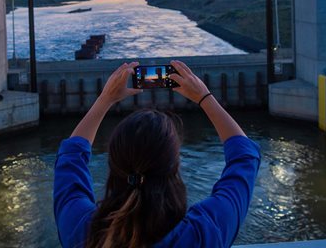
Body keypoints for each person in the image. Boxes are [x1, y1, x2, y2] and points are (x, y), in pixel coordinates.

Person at [53, 60, 261, 248]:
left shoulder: (82, 231)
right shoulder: (201, 235)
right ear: (175, 167)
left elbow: (70, 158)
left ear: (113, 164)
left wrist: (104, 100)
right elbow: (245, 157)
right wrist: (204, 97)